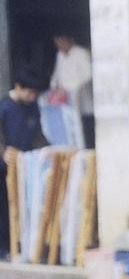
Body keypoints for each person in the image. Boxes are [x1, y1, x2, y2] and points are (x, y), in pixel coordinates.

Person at [0, 68, 48, 260]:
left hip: (25, 168)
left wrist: (45, 152)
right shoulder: (4, 107)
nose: (32, 97)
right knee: (4, 210)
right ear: (18, 87)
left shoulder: (33, 107)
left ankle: (21, 247)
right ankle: (3, 249)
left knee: (24, 209)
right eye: (29, 92)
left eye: (35, 94)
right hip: (3, 169)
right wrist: (3, 152)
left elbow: (37, 135)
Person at [49, 33, 94, 148]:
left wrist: (70, 89)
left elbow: (88, 74)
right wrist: (54, 85)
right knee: (69, 126)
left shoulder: (81, 53)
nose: (59, 45)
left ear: (71, 40)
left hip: (81, 98)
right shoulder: (60, 55)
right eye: (57, 42)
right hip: (65, 99)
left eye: (62, 42)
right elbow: (57, 72)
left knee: (83, 128)